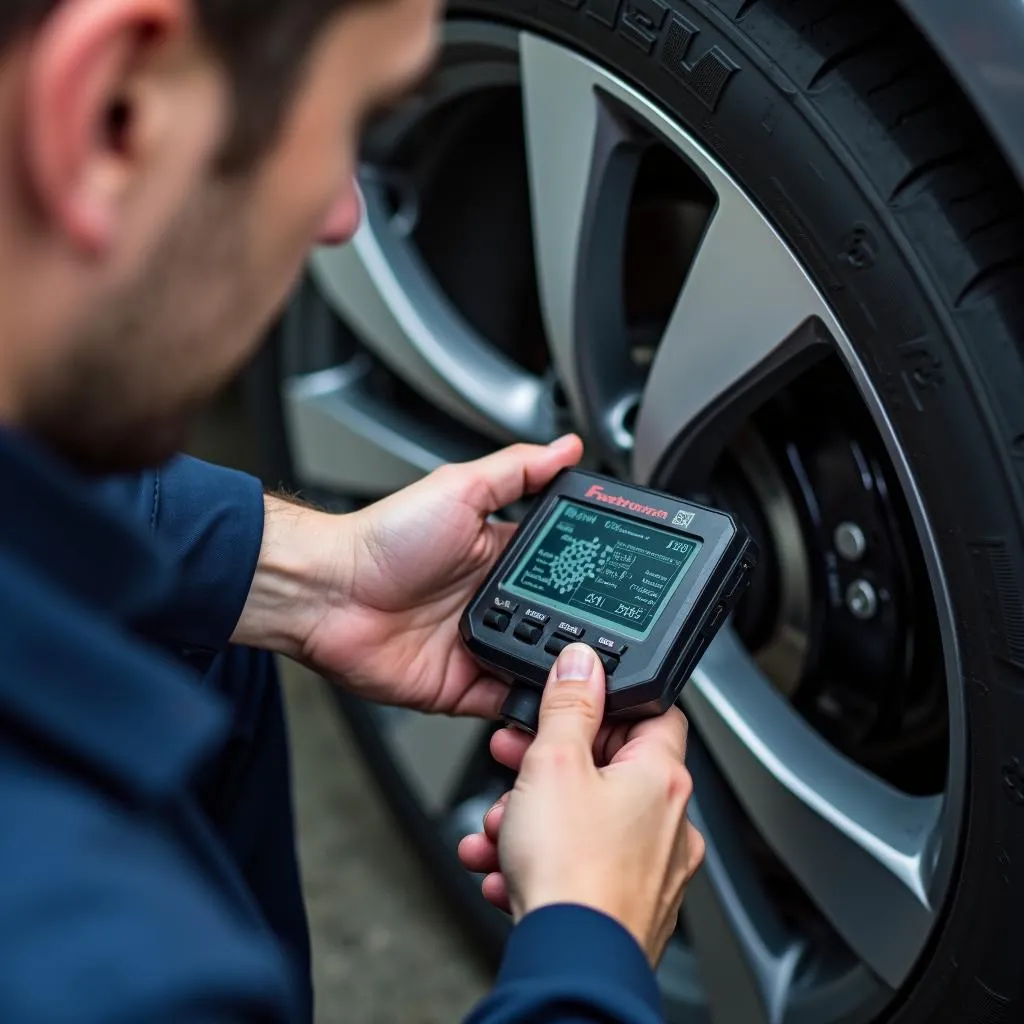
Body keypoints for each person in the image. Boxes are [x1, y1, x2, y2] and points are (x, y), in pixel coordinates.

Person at [0, 0, 705, 1022]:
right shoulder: (118, 967)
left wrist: (301, 574)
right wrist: (589, 947)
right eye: (348, 121)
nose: (340, 216)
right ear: (114, 112)